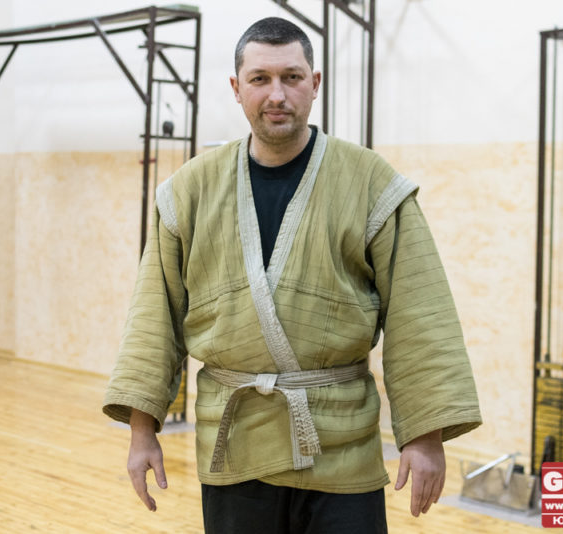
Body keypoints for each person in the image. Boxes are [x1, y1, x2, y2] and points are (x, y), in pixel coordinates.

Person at [103, 16, 482, 533]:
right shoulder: (190, 190)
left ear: (315, 83)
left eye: (292, 77)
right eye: (260, 79)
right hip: (236, 441)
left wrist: (424, 436)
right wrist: (142, 431)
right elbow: (155, 316)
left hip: (340, 441)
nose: (277, 94)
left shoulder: (370, 182)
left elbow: (420, 313)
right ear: (237, 88)